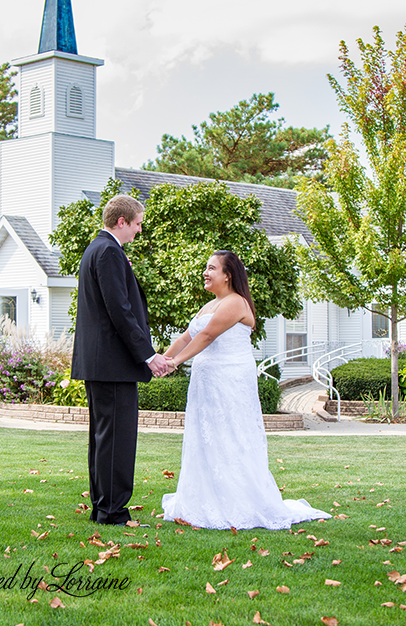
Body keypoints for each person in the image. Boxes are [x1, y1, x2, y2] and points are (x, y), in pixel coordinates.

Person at [161, 250, 330, 530]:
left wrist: (176, 363)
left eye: (211, 268)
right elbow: (187, 336)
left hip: (228, 381)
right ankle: (203, 498)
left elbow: (208, 335)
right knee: (206, 436)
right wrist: (162, 361)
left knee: (230, 436)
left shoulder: (236, 302)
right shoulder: (208, 306)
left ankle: (236, 501)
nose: (206, 272)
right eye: (206, 267)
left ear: (227, 275)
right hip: (205, 383)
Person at [72, 194, 168, 525]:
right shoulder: (109, 252)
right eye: (138, 224)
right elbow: (120, 311)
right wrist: (148, 355)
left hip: (101, 363)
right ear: (122, 221)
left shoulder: (96, 250)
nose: (139, 231)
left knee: (104, 437)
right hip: (114, 364)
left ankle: (103, 507)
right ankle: (112, 511)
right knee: (117, 439)